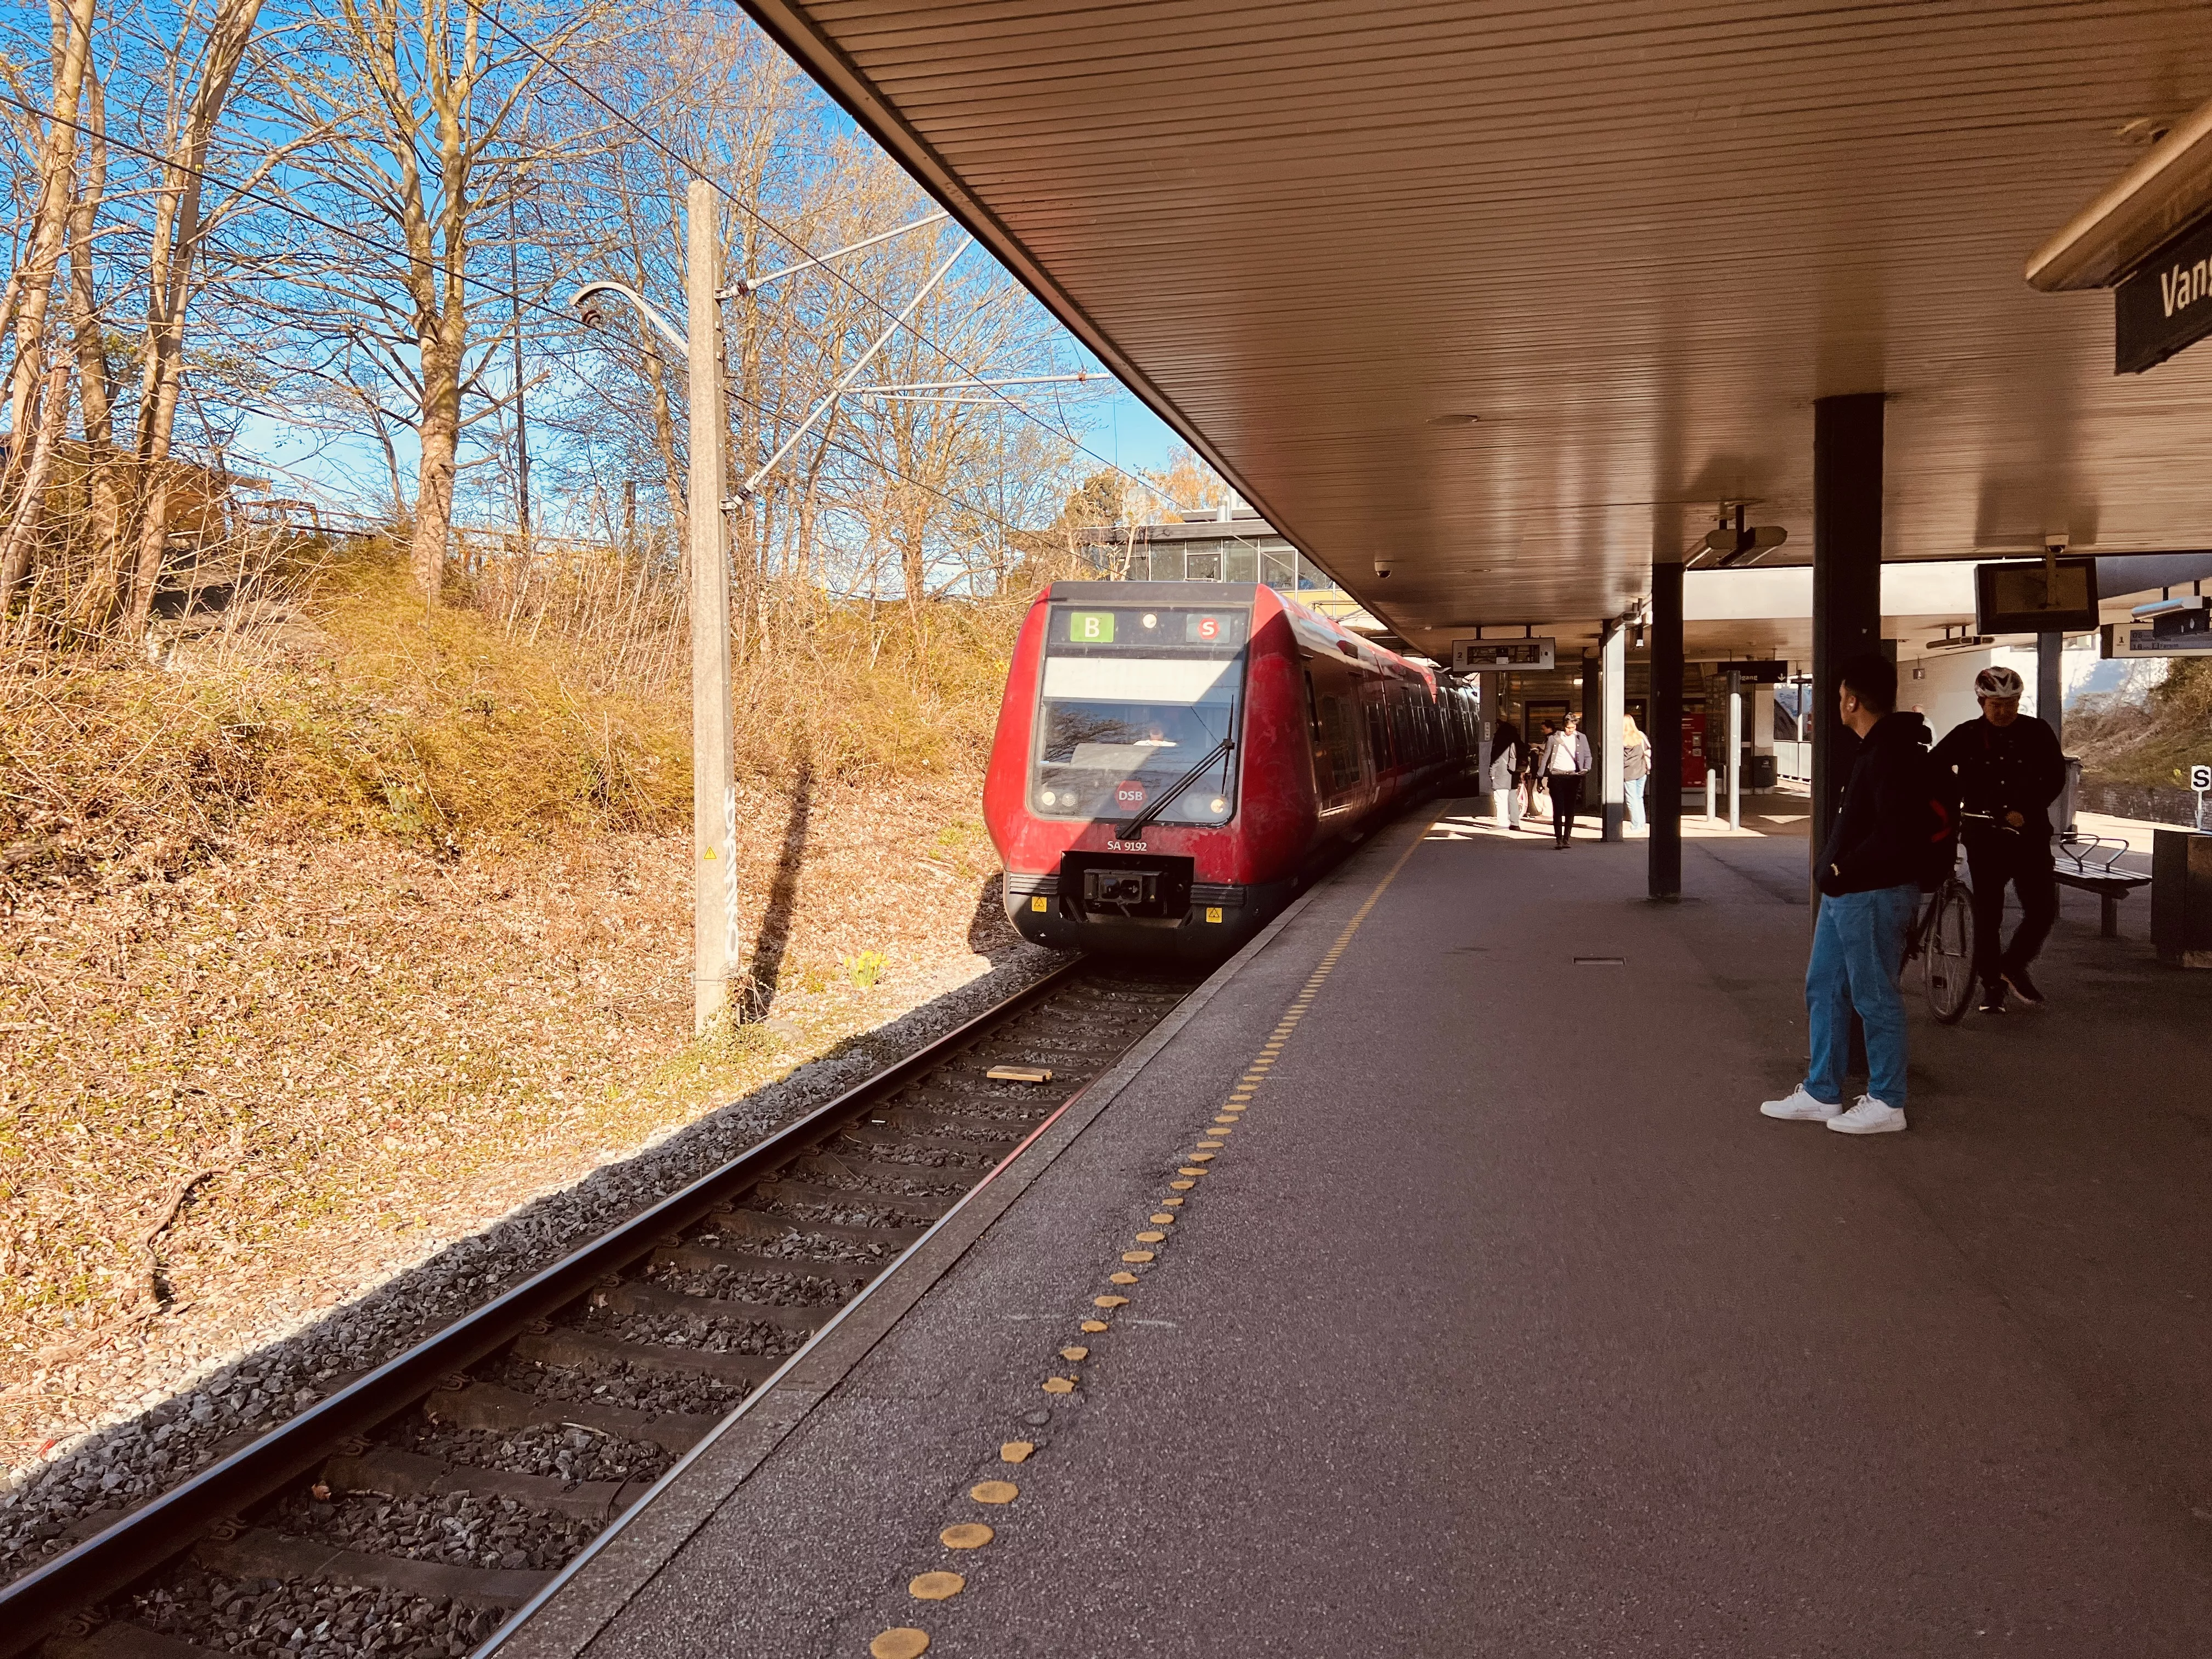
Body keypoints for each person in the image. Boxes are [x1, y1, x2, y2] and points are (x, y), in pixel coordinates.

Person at [1760, 652, 1939, 1135]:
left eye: (1839, 697)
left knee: (1875, 995)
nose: (1837, 705)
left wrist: (1839, 867)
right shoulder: (1878, 747)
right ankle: (1823, 1092)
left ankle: (1888, 1101)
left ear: (1853, 701)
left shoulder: (1891, 752)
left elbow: (1893, 832)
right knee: (1825, 988)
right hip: (1849, 896)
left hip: (1873, 894)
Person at [1931, 664, 2066, 1014]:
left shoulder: (2037, 732)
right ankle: (1992, 986)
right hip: (1985, 836)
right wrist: (1959, 797)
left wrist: (2026, 807)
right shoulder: (1966, 735)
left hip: (2029, 833)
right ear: (1981, 702)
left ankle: (2012, 964)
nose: (2004, 711)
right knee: (1988, 915)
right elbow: (1933, 769)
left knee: (2043, 909)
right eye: (1996, 705)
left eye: (2012, 703)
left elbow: (2054, 776)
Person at [1541, 713, 1592, 848]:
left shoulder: (1581, 738)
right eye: (1569, 727)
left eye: (1573, 727)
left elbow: (1588, 755)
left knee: (1570, 808)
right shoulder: (1554, 738)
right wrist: (1541, 775)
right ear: (1564, 726)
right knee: (1558, 808)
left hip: (1573, 777)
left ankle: (1567, 838)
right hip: (1556, 776)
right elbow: (1546, 757)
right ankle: (1558, 838)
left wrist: (1586, 769)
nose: (1571, 730)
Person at [1488, 714, 1524, 831]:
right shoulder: (1516, 737)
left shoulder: (1500, 737)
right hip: (1514, 772)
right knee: (1513, 798)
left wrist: (1492, 771)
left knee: (1500, 798)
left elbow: (1497, 757)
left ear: (1499, 725)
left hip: (1502, 772)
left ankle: (1502, 823)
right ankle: (1515, 823)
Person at [1621, 713, 1651, 830]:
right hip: (1642, 771)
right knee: (1639, 798)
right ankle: (1641, 825)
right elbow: (1648, 750)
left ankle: (1636, 826)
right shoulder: (1641, 736)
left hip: (1629, 772)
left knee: (1631, 800)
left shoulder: (1622, 738)